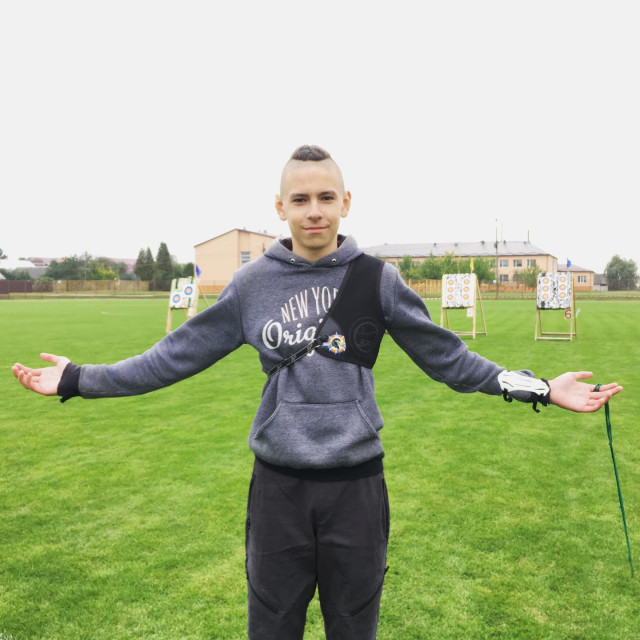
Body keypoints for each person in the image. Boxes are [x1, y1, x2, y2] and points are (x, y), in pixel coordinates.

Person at [13, 145, 622, 640]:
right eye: (300, 199)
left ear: (345, 203)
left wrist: (540, 388)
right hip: (278, 489)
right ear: (280, 207)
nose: (314, 212)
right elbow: (171, 358)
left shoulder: (377, 280)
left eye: (326, 198)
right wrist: (79, 379)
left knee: (353, 628)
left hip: (356, 487)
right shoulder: (251, 285)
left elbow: (448, 359)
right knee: (272, 627)